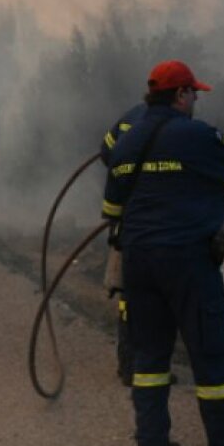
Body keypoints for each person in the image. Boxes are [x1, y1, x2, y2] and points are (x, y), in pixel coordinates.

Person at [101, 61, 224, 446]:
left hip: (139, 262)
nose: (196, 100)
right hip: (188, 261)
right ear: (182, 95)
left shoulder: (126, 143)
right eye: (194, 94)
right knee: (211, 357)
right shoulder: (196, 135)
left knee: (150, 358)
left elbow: (111, 208)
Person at [99, 102, 150, 387]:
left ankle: (128, 364)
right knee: (152, 297)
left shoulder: (128, 118)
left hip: (127, 224)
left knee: (129, 296)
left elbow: (106, 151)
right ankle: (143, 366)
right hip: (156, 225)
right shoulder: (177, 124)